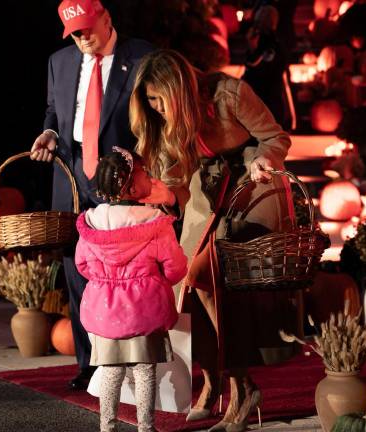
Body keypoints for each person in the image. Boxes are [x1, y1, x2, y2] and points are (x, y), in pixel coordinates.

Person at [129, 49, 302, 432]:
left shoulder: (230, 94)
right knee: (191, 281)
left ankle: (242, 390)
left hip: (251, 182)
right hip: (205, 187)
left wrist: (263, 160)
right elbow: (169, 172)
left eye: (160, 99)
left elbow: (275, 137)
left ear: (180, 91)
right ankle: (214, 383)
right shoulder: (164, 120)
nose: (156, 108)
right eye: (150, 101)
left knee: (217, 277)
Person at [30, 0, 154, 390]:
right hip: (71, 178)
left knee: (126, 271)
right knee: (77, 271)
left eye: (87, 28)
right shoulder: (59, 61)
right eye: (75, 33)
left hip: (120, 176)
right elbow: (55, 110)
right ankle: (90, 365)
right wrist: (49, 132)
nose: (83, 38)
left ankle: (132, 363)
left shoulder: (141, 56)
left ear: (107, 18)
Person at [74, 148, 187, 432]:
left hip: (105, 311)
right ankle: (145, 428)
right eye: (145, 173)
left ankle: (107, 426)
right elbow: (175, 267)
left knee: (111, 370)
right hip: (145, 308)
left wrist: (104, 279)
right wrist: (160, 280)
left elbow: (82, 265)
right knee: (145, 371)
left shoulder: (92, 223)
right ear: (133, 184)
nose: (149, 176)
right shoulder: (154, 222)